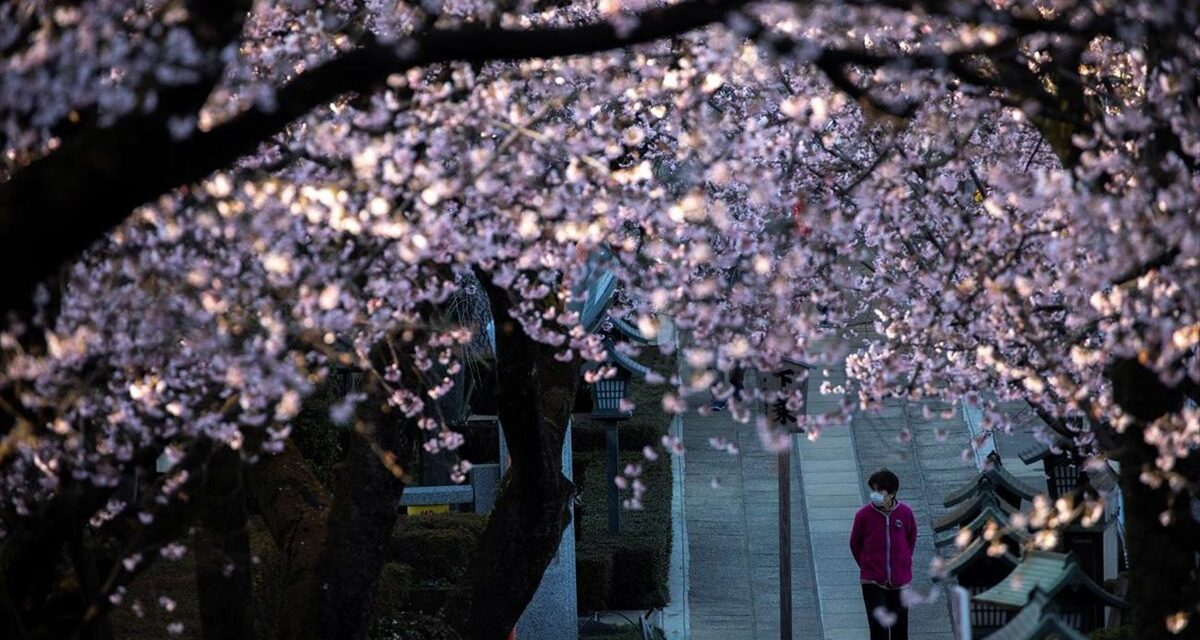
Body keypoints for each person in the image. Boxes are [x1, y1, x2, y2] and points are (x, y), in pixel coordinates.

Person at [849, 469, 918, 640]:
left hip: (900, 582)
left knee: (900, 630)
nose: (876, 495)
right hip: (872, 582)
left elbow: (910, 540)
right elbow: (855, 544)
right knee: (878, 630)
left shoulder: (905, 514)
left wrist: (902, 563)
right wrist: (868, 565)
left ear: (892, 493)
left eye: (880, 491)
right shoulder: (863, 515)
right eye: (873, 490)